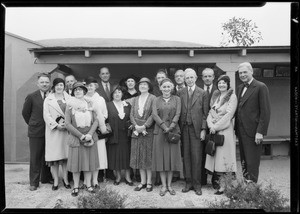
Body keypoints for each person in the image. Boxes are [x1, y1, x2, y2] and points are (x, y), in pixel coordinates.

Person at [235, 62, 271, 183]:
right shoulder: (240, 87)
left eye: (245, 72)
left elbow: (265, 112)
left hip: (253, 132)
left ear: (251, 72)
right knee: (244, 161)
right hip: (241, 131)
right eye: (240, 73)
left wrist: (260, 132)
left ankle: (252, 189)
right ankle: (246, 185)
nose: (242, 75)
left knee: (252, 162)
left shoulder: (261, 87)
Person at [177, 68, 209, 196]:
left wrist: (203, 129)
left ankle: (197, 184)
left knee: (196, 157)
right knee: (186, 156)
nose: (189, 80)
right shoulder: (181, 92)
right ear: (184, 80)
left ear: (196, 78)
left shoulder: (202, 93)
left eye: (191, 77)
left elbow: (205, 114)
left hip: (196, 129)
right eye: (187, 78)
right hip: (184, 128)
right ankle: (188, 182)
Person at [65, 82, 99, 196]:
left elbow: (96, 120)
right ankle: (75, 186)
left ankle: (88, 185)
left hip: (89, 136)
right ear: (73, 92)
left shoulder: (90, 104)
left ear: (84, 91)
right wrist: (80, 136)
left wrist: (89, 134)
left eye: (80, 89)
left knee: (88, 163)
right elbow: (67, 124)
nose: (78, 91)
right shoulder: (69, 105)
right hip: (76, 137)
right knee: (76, 164)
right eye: (75, 90)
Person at [205, 75, 237, 195]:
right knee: (216, 158)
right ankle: (220, 185)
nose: (221, 85)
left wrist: (216, 126)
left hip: (224, 131)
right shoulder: (217, 96)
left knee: (225, 159)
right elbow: (210, 112)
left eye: (224, 83)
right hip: (214, 130)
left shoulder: (232, 97)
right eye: (219, 83)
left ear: (228, 84)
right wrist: (210, 124)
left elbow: (229, 114)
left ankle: (225, 186)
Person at [22, 72, 53, 191]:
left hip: (50, 131)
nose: (44, 84)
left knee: (48, 155)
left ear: (49, 83)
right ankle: (34, 182)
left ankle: (45, 178)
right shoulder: (31, 96)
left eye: (46, 82)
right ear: (37, 83)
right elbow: (25, 113)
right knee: (35, 157)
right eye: (42, 82)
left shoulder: (52, 95)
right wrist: (33, 124)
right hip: (36, 131)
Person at [152, 78, 182, 196]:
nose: (166, 89)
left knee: (171, 159)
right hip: (159, 132)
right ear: (160, 88)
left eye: (168, 86)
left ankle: (170, 185)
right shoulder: (156, 100)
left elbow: (178, 114)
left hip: (173, 132)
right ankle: (163, 186)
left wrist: (172, 126)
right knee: (161, 160)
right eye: (164, 87)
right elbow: (154, 114)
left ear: (172, 87)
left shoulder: (177, 99)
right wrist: (164, 127)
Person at [43, 78, 71, 190]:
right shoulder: (48, 99)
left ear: (64, 86)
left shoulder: (69, 98)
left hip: (66, 132)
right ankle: (55, 181)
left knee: (65, 158)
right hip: (54, 132)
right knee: (54, 159)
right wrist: (56, 125)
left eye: (61, 85)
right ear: (54, 86)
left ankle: (66, 180)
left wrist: (68, 125)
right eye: (57, 85)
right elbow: (46, 115)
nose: (60, 87)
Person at [130, 77, 156, 192]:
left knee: (147, 157)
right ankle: (142, 182)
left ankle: (149, 182)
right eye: (141, 84)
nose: (143, 86)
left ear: (149, 86)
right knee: (139, 156)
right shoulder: (135, 99)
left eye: (145, 84)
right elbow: (131, 114)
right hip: (137, 131)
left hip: (147, 131)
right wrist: (136, 126)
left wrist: (144, 126)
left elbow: (153, 114)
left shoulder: (153, 98)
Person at [84, 76, 109, 189]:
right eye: (87, 85)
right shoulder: (81, 98)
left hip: (97, 130)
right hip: (85, 130)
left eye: (91, 85)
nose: (89, 87)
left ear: (95, 86)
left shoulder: (100, 99)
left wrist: (97, 121)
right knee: (86, 156)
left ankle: (95, 180)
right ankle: (86, 181)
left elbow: (105, 114)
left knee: (97, 155)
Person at [106, 85, 134, 186]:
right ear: (112, 94)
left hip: (126, 135)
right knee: (115, 156)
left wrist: (131, 124)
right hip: (114, 134)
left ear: (122, 94)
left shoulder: (127, 105)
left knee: (126, 156)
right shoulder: (108, 105)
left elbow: (132, 117)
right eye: (115, 92)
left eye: (119, 92)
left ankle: (127, 177)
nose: (117, 94)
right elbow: (105, 119)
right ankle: (117, 177)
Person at [201, 68, 218, 187]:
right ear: (202, 78)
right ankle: (202, 179)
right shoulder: (198, 91)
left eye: (209, 76)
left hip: (215, 126)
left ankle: (215, 181)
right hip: (202, 127)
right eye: (205, 76)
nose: (207, 78)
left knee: (215, 152)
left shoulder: (219, 91)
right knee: (202, 153)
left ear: (213, 77)